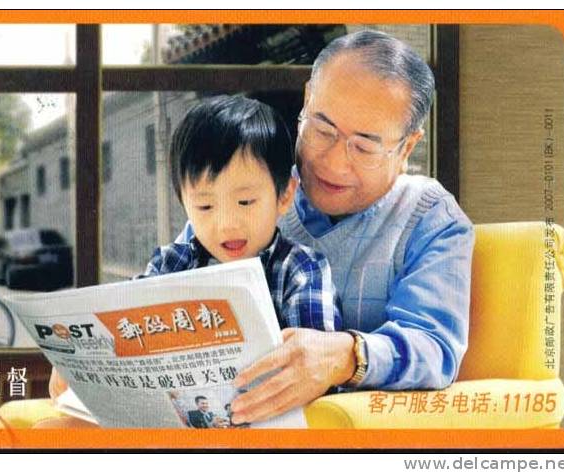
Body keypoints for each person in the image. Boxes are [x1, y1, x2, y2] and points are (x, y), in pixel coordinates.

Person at [227, 30, 475, 425]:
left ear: (407, 147)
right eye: (324, 130)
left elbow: (434, 347)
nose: (334, 164)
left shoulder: (430, 216)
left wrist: (347, 356)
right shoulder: (255, 193)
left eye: (364, 147)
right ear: (308, 99)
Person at [46, 95, 342, 413]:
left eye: (245, 202)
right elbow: (122, 333)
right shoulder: (171, 264)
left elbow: (315, 370)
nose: (226, 224)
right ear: (184, 204)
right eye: (204, 206)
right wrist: (77, 364)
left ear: (284, 195)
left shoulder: (300, 271)